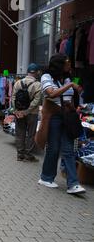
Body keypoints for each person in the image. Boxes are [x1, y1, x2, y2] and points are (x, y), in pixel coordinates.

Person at [37, 54, 86, 195]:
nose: (70, 64)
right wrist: (69, 85)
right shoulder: (46, 77)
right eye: (67, 62)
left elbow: (68, 96)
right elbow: (51, 94)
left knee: (68, 150)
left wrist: (73, 106)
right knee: (53, 148)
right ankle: (46, 177)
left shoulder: (67, 77)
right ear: (59, 64)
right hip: (54, 117)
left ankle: (73, 184)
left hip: (67, 117)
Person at [12, 64, 42, 162]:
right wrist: (27, 111)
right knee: (31, 134)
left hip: (19, 113)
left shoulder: (18, 83)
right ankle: (28, 154)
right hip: (32, 113)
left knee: (20, 133)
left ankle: (20, 154)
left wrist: (16, 110)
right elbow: (36, 101)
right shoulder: (38, 85)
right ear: (36, 72)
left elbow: (13, 98)